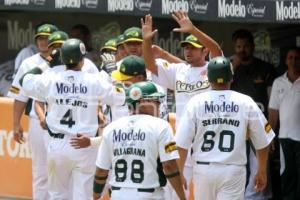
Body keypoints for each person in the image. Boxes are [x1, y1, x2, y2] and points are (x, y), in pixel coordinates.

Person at [19, 38, 125, 199]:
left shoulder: (51, 78)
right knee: (83, 196)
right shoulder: (93, 80)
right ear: (82, 60)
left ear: (62, 58)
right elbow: (120, 96)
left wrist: (47, 63)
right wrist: (112, 72)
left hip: (57, 145)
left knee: (57, 195)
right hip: (84, 144)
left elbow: (24, 80)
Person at [141, 11, 222, 199]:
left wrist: (193, 29)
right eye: (186, 47)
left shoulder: (213, 68)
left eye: (193, 47)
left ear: (204, 51)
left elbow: (217, 49)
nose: (188, 50)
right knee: (177, 192)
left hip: (208, 139)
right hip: (183, 139)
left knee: (206, 193)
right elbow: (151, 66)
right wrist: (145, 40)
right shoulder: (179, 70)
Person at [175, 56, 275, 200]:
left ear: (209, 79)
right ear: (231, 78)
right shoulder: (246, 101)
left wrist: (179, 172)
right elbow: (263, 140)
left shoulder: (195, 102)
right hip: (232, 169)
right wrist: (261, 170)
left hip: (203, 169)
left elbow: (181, 143)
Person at [93, 81, 186, 200]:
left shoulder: (111, 128)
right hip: (150, 195)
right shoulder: (162, 125)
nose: (158, 104)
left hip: (118, 195)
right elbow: (169, 166)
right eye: (155, 100)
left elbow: (101, 171)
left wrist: (95, 197)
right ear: (142, 101)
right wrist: (182, 197)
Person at [7, 23, 58, 200]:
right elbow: (20, 97)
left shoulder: (68, 60)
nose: (44, 42)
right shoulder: (29, 63)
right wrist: (15, 124)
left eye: (47, 38)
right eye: (40, 38)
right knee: (41, 170)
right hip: (38, 121)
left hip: (63, 122)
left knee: (60, 170)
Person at [230, 29, 278, 200]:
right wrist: (232, 68)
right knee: (236, 166)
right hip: (236, 127)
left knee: (259, 166)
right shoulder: (230, 71)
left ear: (253, 47)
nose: (242, 50)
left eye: (245, 46)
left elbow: (273, 104)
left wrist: (270, 132)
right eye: (238, 46)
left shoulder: (266, 68)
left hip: (260, 125)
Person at [268, 46, 300, 200]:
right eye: (290, 58)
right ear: (286, 61)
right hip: (285, 139)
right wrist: (269, 137)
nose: (294, 61)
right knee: (287, 177)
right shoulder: (278, 82)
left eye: (297, 58)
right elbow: (273, 114)